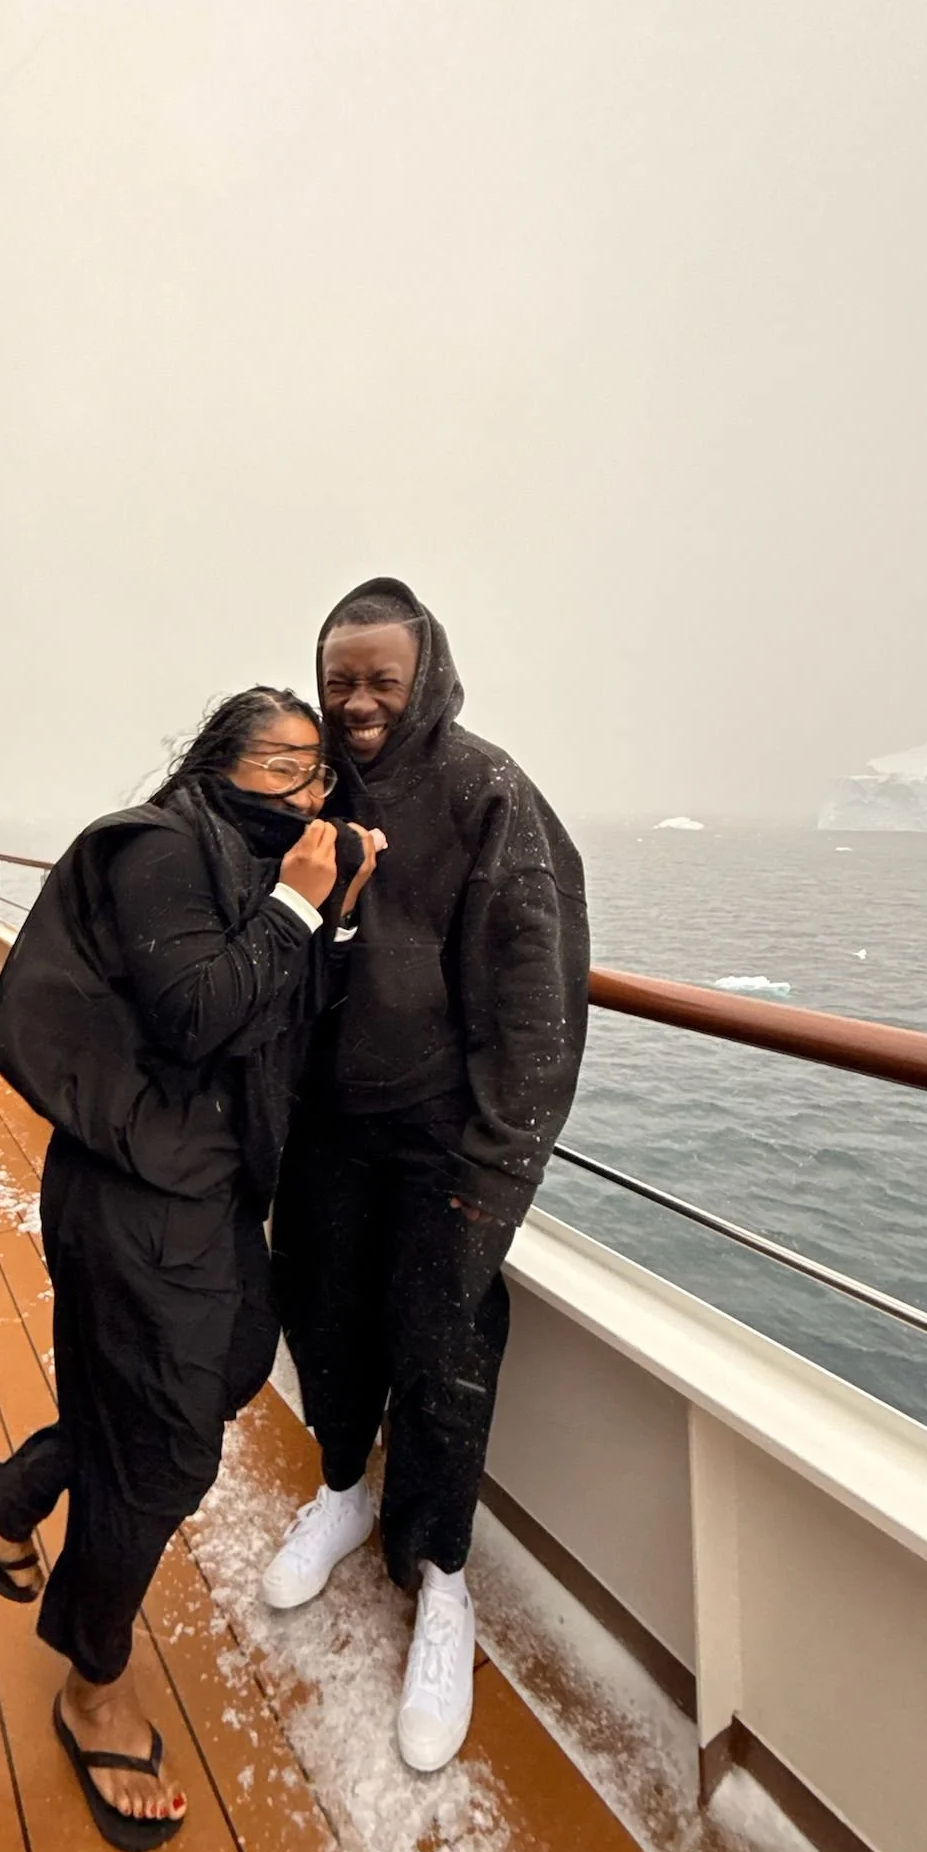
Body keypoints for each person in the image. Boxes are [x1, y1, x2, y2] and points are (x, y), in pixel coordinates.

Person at [0, 687, 376, 1852]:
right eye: (287, 767)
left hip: (205, 1191)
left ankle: (2, 1511)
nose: (311, 792)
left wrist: (329, 917)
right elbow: (194, 1015)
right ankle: (93, 1681)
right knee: (166, 1451)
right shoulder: (163, 849)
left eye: (320, 773)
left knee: (226, 1364)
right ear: (223, 761)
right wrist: (298, 902)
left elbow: (284, 1017)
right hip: (133, 1192)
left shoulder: (251, 861)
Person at [265, 577, 590, 1774]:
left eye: (381, 681)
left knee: (444, 1358)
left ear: (426, 678)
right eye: (340, 679)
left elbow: (538, 1008)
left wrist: (491, 1177)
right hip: (323, 1133)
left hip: (442, 1145)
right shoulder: (310, 786)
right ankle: (343, 1487)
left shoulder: (485, 791)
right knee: (324, 1322)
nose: (358, 701)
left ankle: (442, 1573)